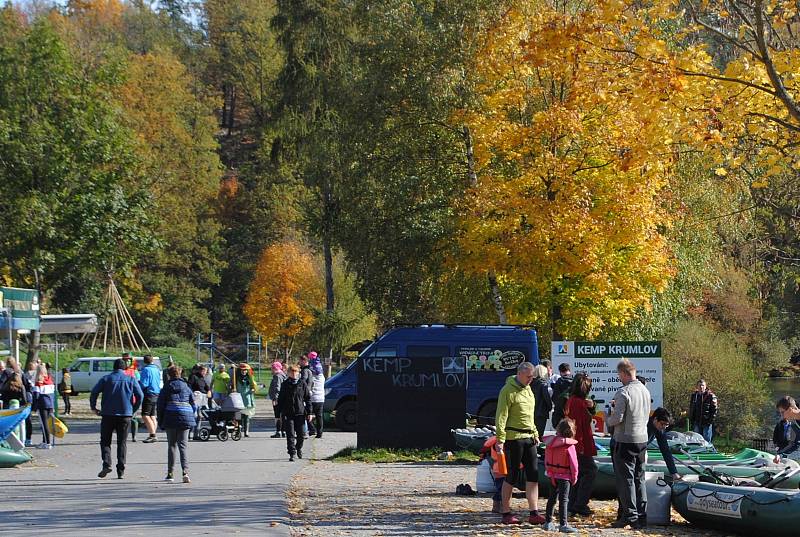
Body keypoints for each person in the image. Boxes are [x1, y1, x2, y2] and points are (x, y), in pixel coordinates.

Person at [494, 361, 545, 526]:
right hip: (513, 438)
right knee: (512, 475)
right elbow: (501, 416)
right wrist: (500, 439)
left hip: (529, 437)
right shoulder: (507, 390)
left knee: (533, 474)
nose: (531, 379)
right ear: (520, 373)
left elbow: (530, 416)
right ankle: (506, 512)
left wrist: (536, 433)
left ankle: (534, 512)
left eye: (533, 377)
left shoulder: (528, 389)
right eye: (529, 376)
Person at [606, 358, 651, 529]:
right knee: (639, 477)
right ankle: (642, 515)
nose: (619, 378)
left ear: (624, 373)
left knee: (626, 480)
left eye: (619, 374)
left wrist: (607, 419)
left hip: (625, 440)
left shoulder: (623, 392)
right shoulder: (645, 390)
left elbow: (617, 419)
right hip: (642, 438)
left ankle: (630, 516)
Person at [90, 358, 143, 479]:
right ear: (124, 368)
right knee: (122, 442)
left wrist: (94, 407)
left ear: (113, 367)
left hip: (108, 414)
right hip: (125, 415)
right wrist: (133, 410)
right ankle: (121, 469)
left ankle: (107, 464)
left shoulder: (106, 378)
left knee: (105, 441)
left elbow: (94, 392)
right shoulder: (131, 379)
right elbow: (140, 395)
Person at [564, 372, 597, 517]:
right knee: (590, 471)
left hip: (575, 443)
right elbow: (581, 425)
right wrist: (581, 447)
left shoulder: (571, 400)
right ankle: (580, 504)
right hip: (579, 443)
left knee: (578, 473)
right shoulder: (579, 403)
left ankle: (573, 504)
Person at [157, 365, 196, 483]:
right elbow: (193, 404)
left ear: (169, 375)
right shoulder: (186, 387)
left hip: (170, 417)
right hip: (185, 417)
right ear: (180, 374)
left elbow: (160, 406)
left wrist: (161, 421)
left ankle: (170, 474)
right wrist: (190, 415)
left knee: (172, 446)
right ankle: (185, 472)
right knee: (183, 446)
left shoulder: (166, 387)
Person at [542, 418, 579, 534]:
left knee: (552, 498)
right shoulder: (569, 446)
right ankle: (563, 524)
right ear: (572, 431)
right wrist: (575, 477)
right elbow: (574, 464)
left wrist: (550, 472)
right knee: (564, 500)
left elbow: (546, 460)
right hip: (565, 477)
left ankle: (548, 522)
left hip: (552, 475)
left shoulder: (550, 444)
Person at [277, 365, 310, 462]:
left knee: (301, 435)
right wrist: (278, 414)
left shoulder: (302, 383)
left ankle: (298, 448)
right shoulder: (285, 384)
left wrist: (310, 412)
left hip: (300, 413)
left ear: (298, 373)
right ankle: (292, 453)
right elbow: (281, 400)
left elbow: (307, 398)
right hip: (288, 413)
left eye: (296, 372)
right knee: (290, 435)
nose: (294, 374)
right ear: (288, 373)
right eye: (292, 372)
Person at [649, 408, 681, 480]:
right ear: (655, 419)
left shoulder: (660, 430)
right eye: (662, 424)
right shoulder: (644, 426)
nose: (664, 427)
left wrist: (674, 472)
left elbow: (665, 450)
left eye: (666, 425)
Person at [31, 364, 55, 449]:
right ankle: (45, 441)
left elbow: (36, 395)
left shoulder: (38, 382)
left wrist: (33, 407)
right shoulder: (50, 380)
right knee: (46, 423)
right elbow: (53, 394)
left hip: (42, 404)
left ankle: (47, 443)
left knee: (44, 424)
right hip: (50, 404)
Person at [138, 354, 162, 443]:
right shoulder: (157, 369)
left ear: (144, 361)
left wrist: (137, 385)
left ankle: (153, 435)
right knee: (152, 415)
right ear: (152, 361)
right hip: (156, 392)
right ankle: (153, 433)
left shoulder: (146, 369)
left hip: (149, 393)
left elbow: (144, 383)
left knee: (145, 415)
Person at [688, 379, 717, 443]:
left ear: (705, 386)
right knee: (696, 439)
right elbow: (692, 408)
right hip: (696, 422)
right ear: (697, 387)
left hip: (706, 422)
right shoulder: (694, 396)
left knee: (706, 440)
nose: (701, 387)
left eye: (703, 385)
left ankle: (709, 451)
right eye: (700, 385)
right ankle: (697, 451)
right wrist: (691, 419)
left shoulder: (711, 396)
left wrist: (710, 421)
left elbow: (714, 410)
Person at [773, 396, 800, 463]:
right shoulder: (794, 424)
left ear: (790, 409)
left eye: (782, 412)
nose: (782, 416)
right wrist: (780, 454)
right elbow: (795, 444)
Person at [236, 363, 258, 437]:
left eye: (245, 370)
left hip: (247, 399)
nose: (244, 371)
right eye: (242, 370)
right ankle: (238, 431)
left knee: (246, 417)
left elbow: (254, 387)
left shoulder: (250, 378)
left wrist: (253, 389)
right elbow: (232, 385)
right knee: (238, 416)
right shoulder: (236, 378)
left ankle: (246, 431)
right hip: (238, 399)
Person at [531, 364, 552, 439]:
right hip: (541, 412)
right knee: (539, 434)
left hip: (531, 411)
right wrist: (550, 407)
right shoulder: (543, 384)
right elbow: (546, 398)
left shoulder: (530, 383)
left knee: (532, 433)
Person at [551, 363, 574, 428]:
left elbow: (555, 399)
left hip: (560, 415)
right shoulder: (576, 381)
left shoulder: (559, 382)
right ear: (569, 370)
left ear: (560, 372)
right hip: (573, 414)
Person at [269, 362, 287, 438]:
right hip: (283, 398)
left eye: (272, 368)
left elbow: (277, 388)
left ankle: (278, 431)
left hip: (278, 399)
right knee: (282, 415)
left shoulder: (277, 376)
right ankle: (283, 431)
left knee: (278, 416)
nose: (271, 370)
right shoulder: (283, 375)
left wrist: (275, 398)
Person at [309, 362, 325, 439]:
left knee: (308, 414)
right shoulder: (322, 378)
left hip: (313, 398)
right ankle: (320, 433)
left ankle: (312, 429)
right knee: (319, 416)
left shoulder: (312, 378)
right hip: (321, 399)